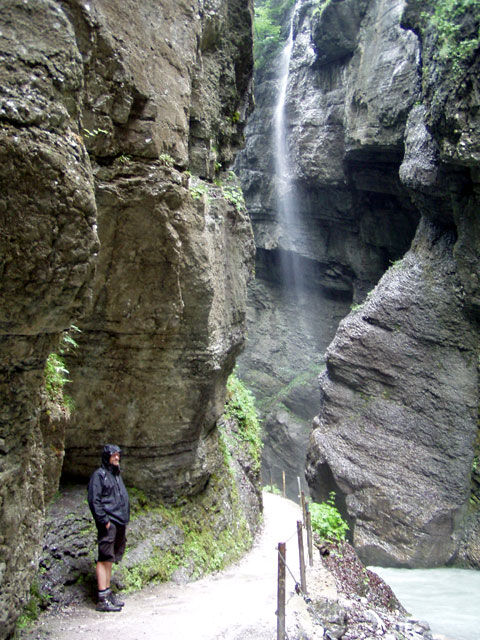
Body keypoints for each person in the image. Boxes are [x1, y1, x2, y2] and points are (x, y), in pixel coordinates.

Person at [87, 444, 130, 612]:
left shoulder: (116, 475)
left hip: (119, 522)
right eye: (113, 456)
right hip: (109, 523)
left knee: (110, 558)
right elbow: (94, 500)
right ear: (106, 457)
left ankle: (107, 592)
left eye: (118, 455)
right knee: (104, 557)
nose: (117, 458)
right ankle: (102, 597)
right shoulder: (99, 476)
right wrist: (104, 521)